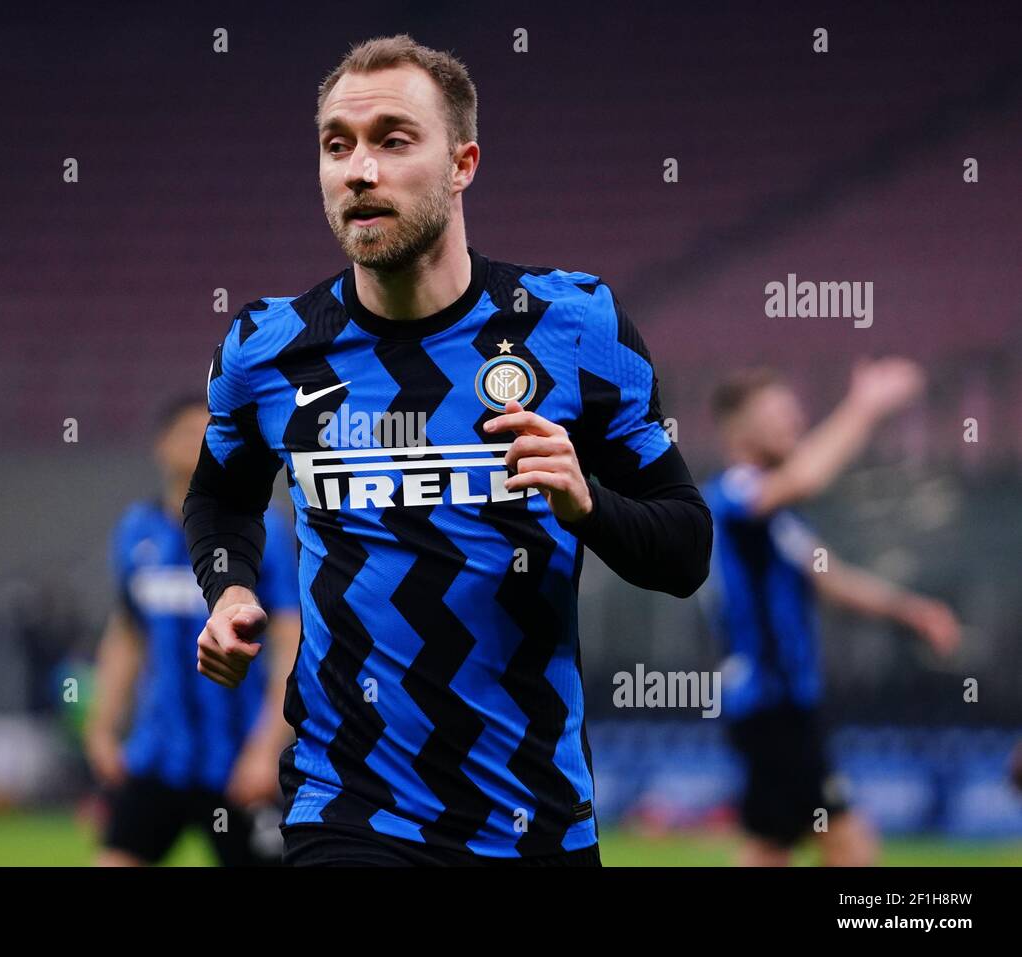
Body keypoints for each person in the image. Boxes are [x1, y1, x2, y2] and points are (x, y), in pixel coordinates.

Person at [182, 35, 711, 866]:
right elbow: (221, 496)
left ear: (463, 163)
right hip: (347, 807)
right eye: (337, 145)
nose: (360, 170)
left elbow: (686, 550)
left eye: (394, 140)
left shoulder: (575, 330)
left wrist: (588, 505)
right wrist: (228, 588)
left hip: (534, 817)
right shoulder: (267, 349)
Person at [703, 362, 962, 866]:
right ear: (740, 430)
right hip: (769, 701)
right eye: (779, 414)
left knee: (773, 847)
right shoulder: (736, 491)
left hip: (781, 704)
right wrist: (863, 407)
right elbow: (808, 476)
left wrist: (911, 612)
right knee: (847, 842)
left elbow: (832, 580)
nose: (794, 424)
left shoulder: (778, 516)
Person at [87, 396, 301, 866]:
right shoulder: (136, 532)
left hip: (239, 756)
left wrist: (268, 747)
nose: (196, 444)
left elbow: (290, 641)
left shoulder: (265, 531)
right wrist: (102, 727)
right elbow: (127, 634)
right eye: (184, 433)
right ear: (159, 446)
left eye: (207, 432)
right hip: (159, 754)